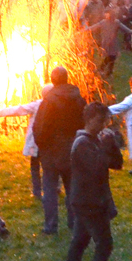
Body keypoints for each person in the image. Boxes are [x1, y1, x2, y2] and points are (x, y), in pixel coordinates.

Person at [66, 103, 122, 261]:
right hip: (89, 201)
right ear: (89, 120)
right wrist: (105, 146)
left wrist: (113, 145)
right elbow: (96, 168)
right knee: (104, 243)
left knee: (80, 241)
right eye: (100, 121)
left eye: (105, 121)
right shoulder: (82, 143)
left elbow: (117, 164)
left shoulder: (96, 140)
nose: (103, 125)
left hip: (91, 199)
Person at [34, 66, 86, 235]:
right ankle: (74, 222)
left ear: (53, 79)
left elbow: (41, 127)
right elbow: (84, 121)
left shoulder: (49, 100)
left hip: (52, 150)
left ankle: (51, 225)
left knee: (49, 188)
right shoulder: (78, 98)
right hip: (73, 147)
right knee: (72, 187)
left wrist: (42, 147)